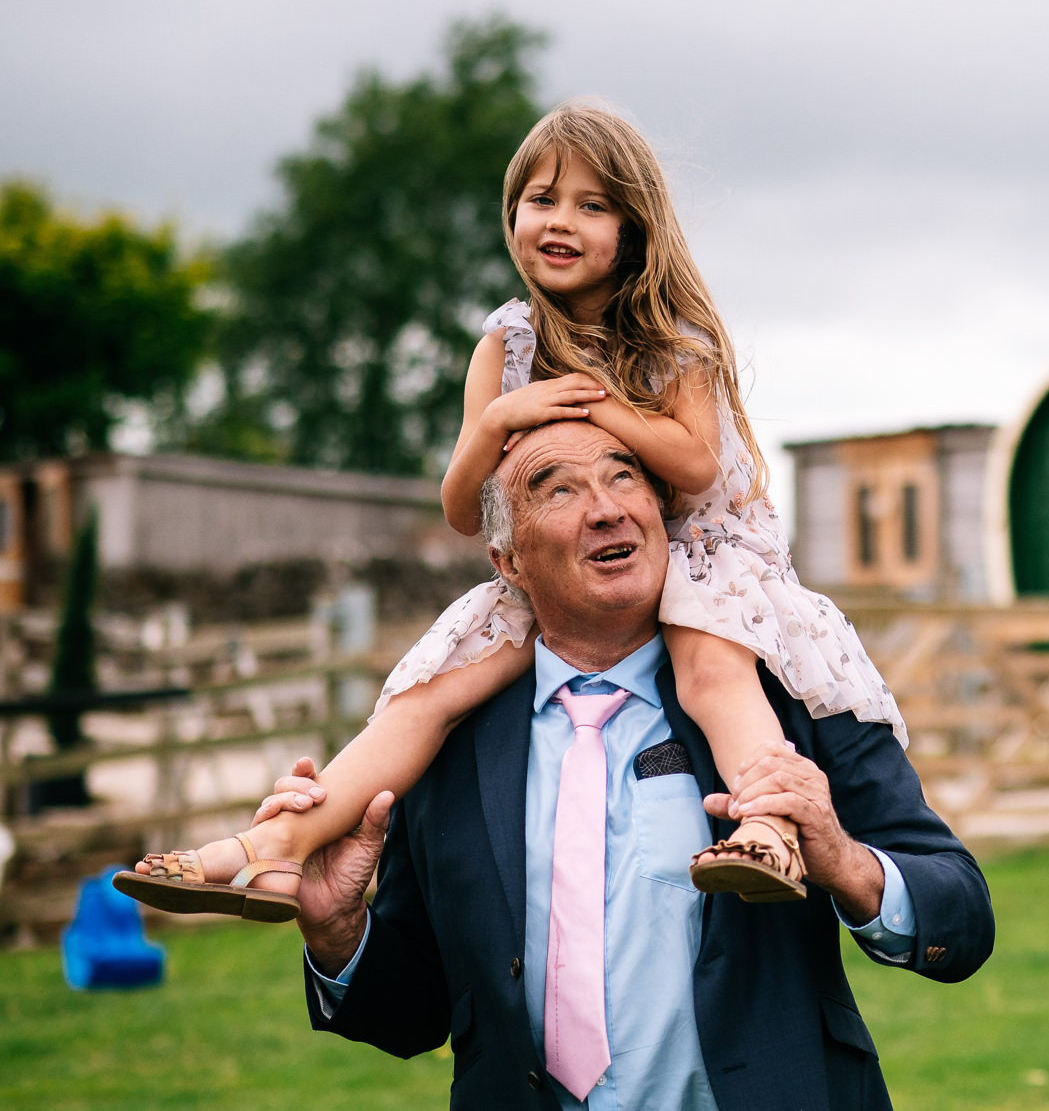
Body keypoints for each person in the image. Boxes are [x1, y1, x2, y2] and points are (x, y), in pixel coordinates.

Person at [118, 100, 902, 922]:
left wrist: (599, 409)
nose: (561, 221)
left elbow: (697, 463)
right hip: (562, 563)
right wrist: (494, 424)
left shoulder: (674, 340)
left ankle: (769, 827)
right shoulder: (507, 343)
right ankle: (273, 847)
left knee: (713, 669)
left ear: (633, 230)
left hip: (700, 551)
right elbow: (463, 510)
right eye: (542, 199)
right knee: (430, 692)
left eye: (592, 205)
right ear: (513, 215)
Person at [279, 416, 993, 1108]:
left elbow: (961, 914)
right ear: (508, 559)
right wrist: (341, 934)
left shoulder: (789, 695)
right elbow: (421, 1013)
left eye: (624, 476)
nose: (606, 508)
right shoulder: (449, 744)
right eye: (557, 489)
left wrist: (843, 861)